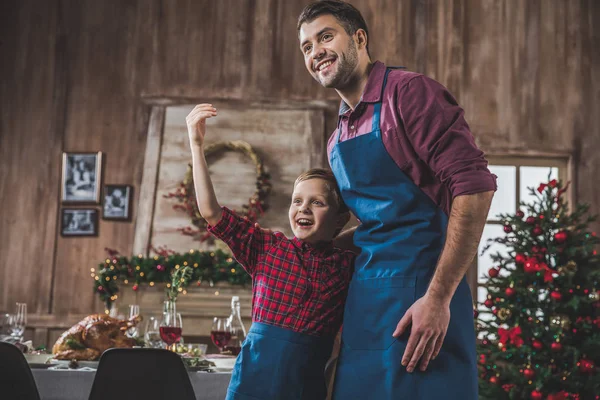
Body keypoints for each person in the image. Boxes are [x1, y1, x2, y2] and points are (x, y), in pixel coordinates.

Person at [297, 1, 497, 399]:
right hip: (365, 311)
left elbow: (474, 187)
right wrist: (318, 251)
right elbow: (379, 224)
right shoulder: (337, 138)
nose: (314, 51)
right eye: (305, 47)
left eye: (325, 36)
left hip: (422, 302)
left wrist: (438, 300)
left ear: (359, 38)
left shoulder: (409, 93)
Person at [185, 103, 356, 400]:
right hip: (253, 384)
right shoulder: (267, 248)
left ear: (340, 219)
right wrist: (196, 144)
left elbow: (379, 229)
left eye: (317, 202)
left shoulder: (346, 264)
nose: (303, 208)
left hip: (306, 387)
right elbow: (211, 212)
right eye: (297, 201)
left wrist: (338, 237)